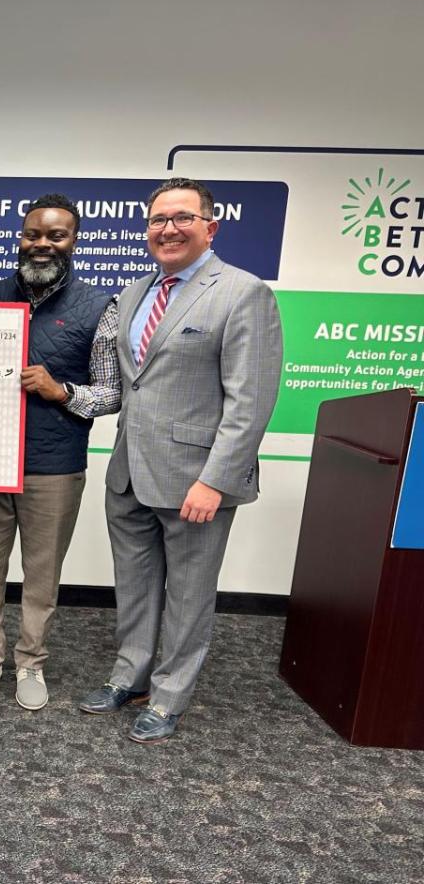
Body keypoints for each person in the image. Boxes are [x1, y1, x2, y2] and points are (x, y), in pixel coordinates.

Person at [79, 176, 282, 744]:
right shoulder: (137, 290)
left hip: (196, 482)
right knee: (135, 585)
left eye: (182, 217)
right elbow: (130, 384)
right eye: (157, 219)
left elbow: (251, 399)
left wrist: (215, 481)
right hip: (128, 472)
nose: (167, 228)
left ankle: (169, 697)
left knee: (189, 593)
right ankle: (131, 676)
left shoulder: (243, 293)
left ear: (209, 227)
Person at [0, 193, 121, 712]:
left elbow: (112, 391)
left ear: (73, 241)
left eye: (56, 235)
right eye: (34, 234)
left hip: (54, 465)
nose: (43, 244)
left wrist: (63, 392)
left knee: (42, 572)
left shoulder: (101, 306)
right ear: (21, 236)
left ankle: (31, 662)